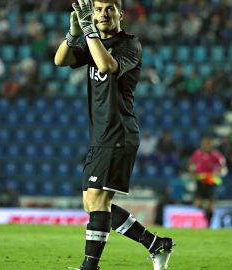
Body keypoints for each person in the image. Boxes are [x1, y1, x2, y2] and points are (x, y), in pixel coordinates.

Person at [54, 1, 173, 269]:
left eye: (109, 8)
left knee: (97, 200)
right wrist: (74, 35)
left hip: (118, 131)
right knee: (92, 203)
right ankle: (156, 244)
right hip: (100, 134)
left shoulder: (130, 45)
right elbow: (60, 60)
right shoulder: (92, 42)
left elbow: (107, 66)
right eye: (97, 10)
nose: (103, 14)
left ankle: (89, 266)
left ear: (121, 14)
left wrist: (89, 31)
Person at [188, 136, 228, 227]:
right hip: (200, 181)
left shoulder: (216, 155)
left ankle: (209, 223)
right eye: (204, 143)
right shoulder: (197, 154)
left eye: (208, 143)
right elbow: (191, 165)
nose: (206, 145)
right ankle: (205, 210)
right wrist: (192, 170)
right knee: (197, 204)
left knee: (211, 206)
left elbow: (223, 168)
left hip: (211, 181)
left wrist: (220, 173)